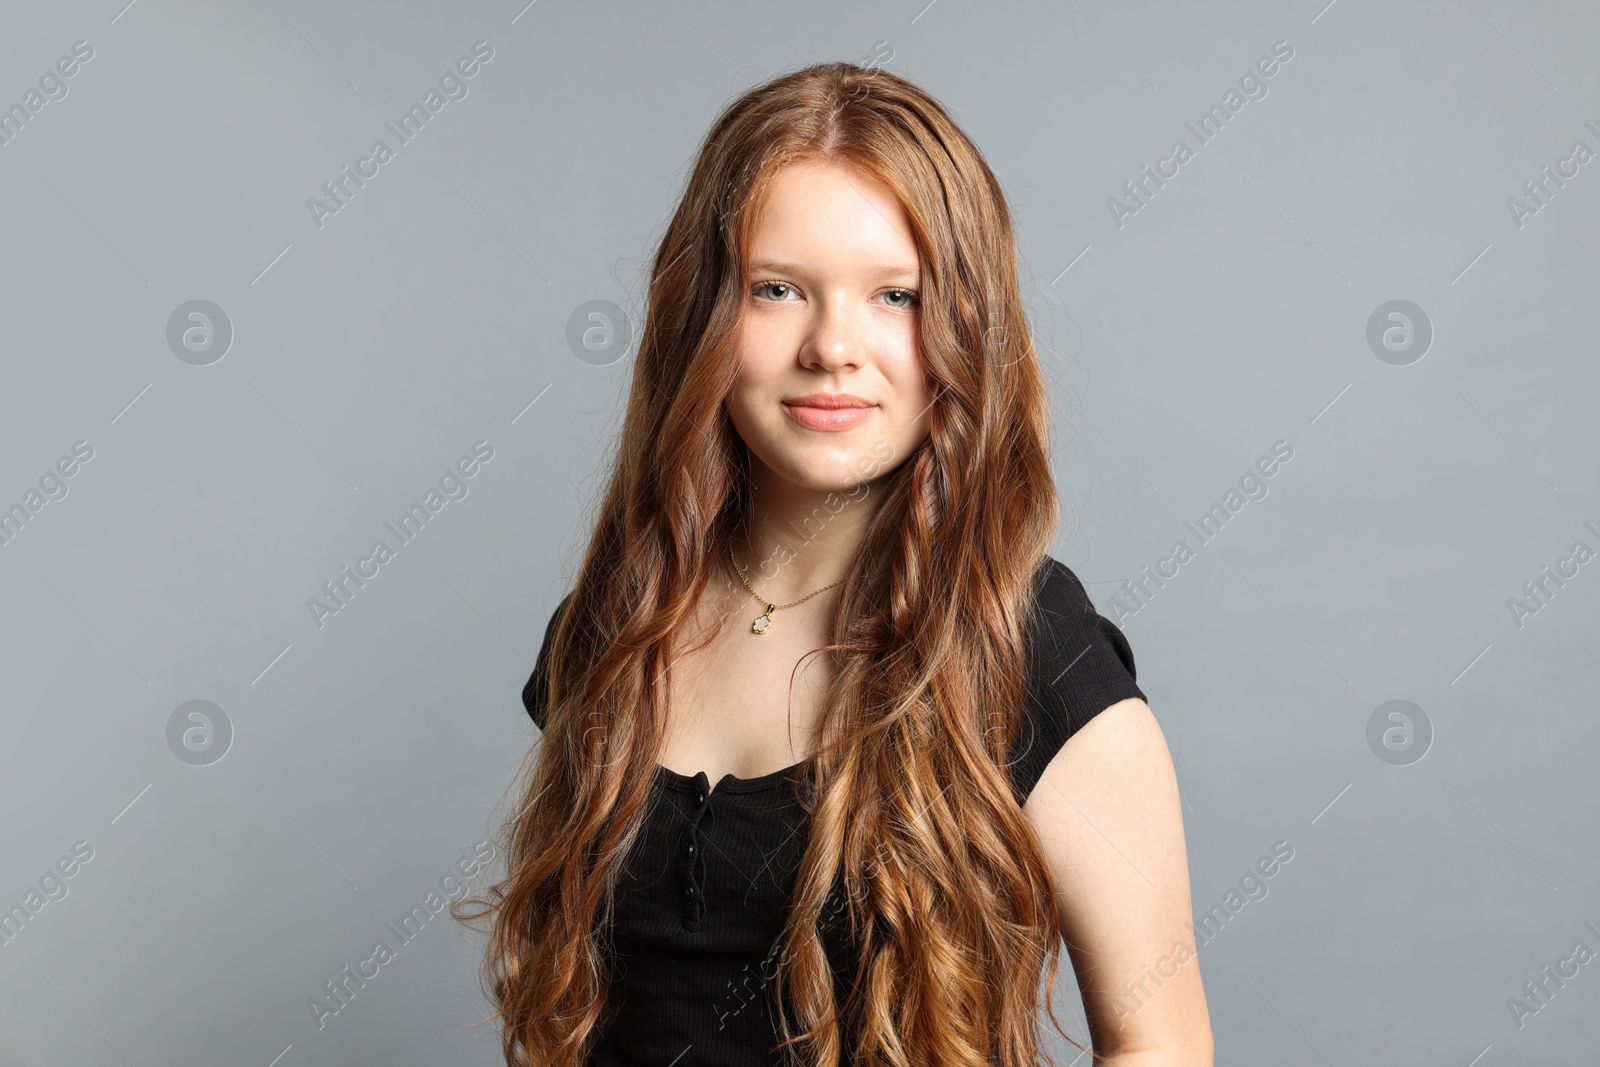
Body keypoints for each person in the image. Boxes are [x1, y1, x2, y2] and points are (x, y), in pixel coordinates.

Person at [455, 61, 1213, 1067]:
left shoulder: (1034, 654)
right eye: (776, 289)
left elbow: (1160, 1044)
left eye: (894, 295)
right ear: (702, 315)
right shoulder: (609, 625)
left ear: (963, 325)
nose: (833, 348)